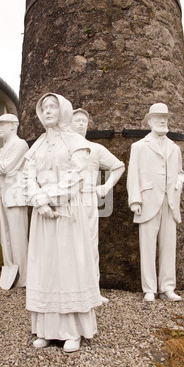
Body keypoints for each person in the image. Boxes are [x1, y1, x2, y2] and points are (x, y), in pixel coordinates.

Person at [23, 93, 103, 353]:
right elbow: (27, 176)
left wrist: (48, 196)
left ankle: (71, 331)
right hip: (43, 216)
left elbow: (76, 176)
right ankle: (46, 330)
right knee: (46, 269)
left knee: (67, 268)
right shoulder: (36, 146)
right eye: (44, 108)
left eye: (52, 107)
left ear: (63, 111)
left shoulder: (75, 142)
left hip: (67, 213)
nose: (47, 111)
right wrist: (38, 200)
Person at [126, 103, 184, 302]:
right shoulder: (139, 146)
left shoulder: (175, 148)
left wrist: (178, 182)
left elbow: (181, 173)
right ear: (150, 121)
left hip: (170, 202)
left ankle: (167, 287)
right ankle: (149, 288)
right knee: (147, 246)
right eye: (158, 118)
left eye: (165, 118)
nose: (163, 121)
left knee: (169, 246)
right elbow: (132, 174)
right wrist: (135, 199)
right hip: (148, 200)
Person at [71, 108, 125, 293]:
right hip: (66, 200)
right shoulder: (63, 148)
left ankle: (92, 290)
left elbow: (118, 166)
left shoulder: (96, 148)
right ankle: (71, 289)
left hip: (88, 199)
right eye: (76, 120)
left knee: (91, 244)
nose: (80, 124)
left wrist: (106, 186)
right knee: (68, 243)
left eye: (83, 122)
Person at [0, 114, 29, 288]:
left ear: (13, 125)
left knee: (18, 238)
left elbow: (6, 168)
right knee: (6, 237)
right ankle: (11, 269)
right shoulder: (2, 150)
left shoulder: (21, 145)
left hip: (16, 197)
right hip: (3, 197)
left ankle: (24, 277)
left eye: (2, 124)